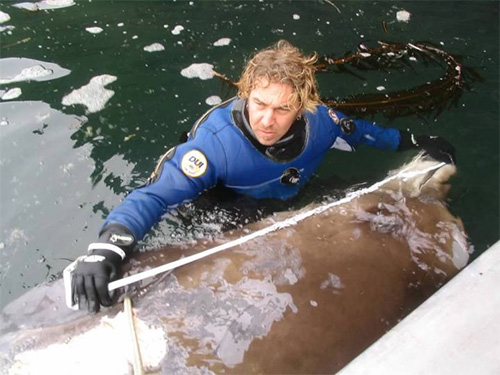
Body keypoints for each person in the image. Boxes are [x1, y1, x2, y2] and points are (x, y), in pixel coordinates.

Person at [72, 40, 455, 313]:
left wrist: (416, 140)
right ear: (245, 94)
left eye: (283, 109)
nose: (267, 121)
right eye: (259, 104)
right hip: (227, 207)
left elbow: (364, 133)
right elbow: (155, 195)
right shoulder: (212, 146)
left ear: (303, 106)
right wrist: (109, 247)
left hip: (289, 195)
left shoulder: (322, 123)